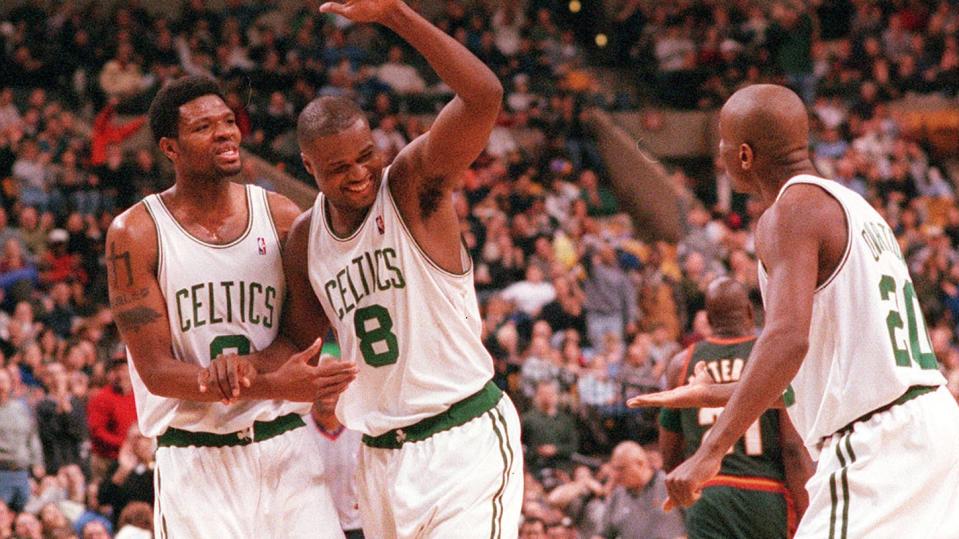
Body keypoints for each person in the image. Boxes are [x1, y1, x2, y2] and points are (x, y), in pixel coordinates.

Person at [632, 84, 959, 537]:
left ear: (744, 155)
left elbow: (787, 341)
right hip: (929, 424)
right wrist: (717, 393)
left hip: (878, 444)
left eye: (722, 145)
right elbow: (832, 370)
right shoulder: (854, 206)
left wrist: (712, 446)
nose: (720, 157)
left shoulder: (788, 214)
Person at [288, 0, 522, 536]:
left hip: (461, 440)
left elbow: (484, 96)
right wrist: (278, 378)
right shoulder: (305, 237)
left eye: (366, 155)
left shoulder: (412, 185)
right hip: (377, 457)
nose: (359, 175)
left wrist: (395, 13)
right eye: (338, 168)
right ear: (308, 167)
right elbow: (296, 343)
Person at [106, 75, 355, 538]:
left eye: (227, 121)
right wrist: (262, 382)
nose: (225, 132)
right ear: (169, 148)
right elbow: (157, 371)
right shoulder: (135, 233)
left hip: (285, 450)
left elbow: (303, 341)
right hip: (195, 459)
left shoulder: (281, 217)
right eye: (203, 128)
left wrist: (242, 371)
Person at [658, 277, 811, 538]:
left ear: (708, 318)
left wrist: (688, 496)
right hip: (763, 493)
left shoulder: (681, 364)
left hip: (707, 495)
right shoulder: (773, 358)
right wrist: (807, 511)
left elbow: (669, 454)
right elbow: (793, 449)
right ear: (751, 312)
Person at [593, 441, 686, 539]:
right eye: (614, 469)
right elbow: (603, 534)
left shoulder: (670, 484)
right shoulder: (617, 496)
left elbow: (697, 523)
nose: (615, 475)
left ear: (640, 463)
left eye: (621, 469)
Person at [305, 394, 364, 538]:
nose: (328, 395)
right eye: (324, 387)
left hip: (359, 524)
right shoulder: (298, 430)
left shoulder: (362, 425)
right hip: (315, 527)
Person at [0, 368, 44, 513]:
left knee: (26, 513)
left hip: (22, 472)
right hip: (2, 470)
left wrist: (37, 462)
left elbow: (32, 438)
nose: (1, 385)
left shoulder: (21, 408)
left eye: (4, 381)